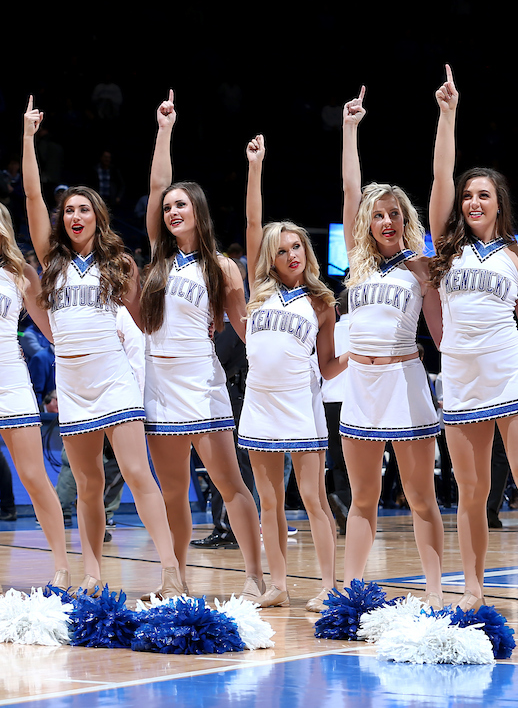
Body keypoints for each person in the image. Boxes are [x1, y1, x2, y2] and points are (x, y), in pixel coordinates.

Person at [22, 96, 182, 595]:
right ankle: (91, 574)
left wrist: (163, 131)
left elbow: (136, 326)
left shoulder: (120, 264)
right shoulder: (51, 261)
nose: (74, 216)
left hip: (113, 376)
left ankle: (170, 570)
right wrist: (28, 139)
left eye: (83, 209)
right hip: (72, 381)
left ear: (97, 216)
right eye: (67, 210)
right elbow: (30, 199)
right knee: (87, 485)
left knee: (137, 473)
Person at [427, 66, 518, 610]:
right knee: (471, 490)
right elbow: (438, 178)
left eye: (483, 195)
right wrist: (448, 114)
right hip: (461, 376)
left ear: (498, 201)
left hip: (509, 368)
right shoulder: (444, 248)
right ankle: (474, 589)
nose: (473, 202)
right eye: (467, 196)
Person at [141, 91, 264, 598]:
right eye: (168, 206)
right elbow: (154, 183)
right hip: (159, 384)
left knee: (230, 484)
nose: (171, 211)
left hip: (202, 380)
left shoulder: (222, 266)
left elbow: (247, 328)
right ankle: (176, 577)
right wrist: (164, 131)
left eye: (180, 205)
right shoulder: (158, 260)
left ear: (199, 212)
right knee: (173, 492)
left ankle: (256, 575)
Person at [339, 87, 444, 603]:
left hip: (405, 380)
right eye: (378, 215)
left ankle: (434, 592)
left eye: (394, 215)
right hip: (361, 382)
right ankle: (349, 591)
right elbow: (348, 186)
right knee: (363, 498)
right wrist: (351, 130)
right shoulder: (356, 265)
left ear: (406, 221)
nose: (386, 222)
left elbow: (442, 334)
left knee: (421, 497)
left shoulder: (421, 269)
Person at [241, 134, 344, 610]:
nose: (292, 254)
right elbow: (252, 221)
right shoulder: (257, 291)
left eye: (298, 246)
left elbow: (327, 365)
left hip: (301, 404)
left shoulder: (322, 301)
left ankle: (329, 584)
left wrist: (364, 357)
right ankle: (278, 586)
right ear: (271, 257)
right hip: (259, 403)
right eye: (282, 250)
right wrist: (256, 168)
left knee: (313, 498)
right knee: (270, 503)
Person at [0, 200, 69, 583]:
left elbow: (52, 329)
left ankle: (60, 567)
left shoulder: (19, 272)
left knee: (34, 476)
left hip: (10, 380)